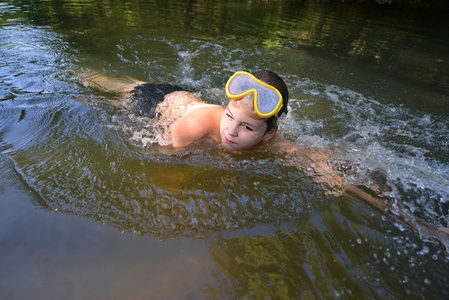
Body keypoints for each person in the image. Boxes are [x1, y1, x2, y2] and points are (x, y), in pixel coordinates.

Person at [81, 69, 449, 241]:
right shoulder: (193, 127)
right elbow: (165, 169)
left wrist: (419, 224)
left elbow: (332, 178)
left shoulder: (276, 143)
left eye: (246, 128)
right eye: (230, 117)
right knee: (104, 86)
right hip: (157, 100)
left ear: (269, 133)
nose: (231, 131)